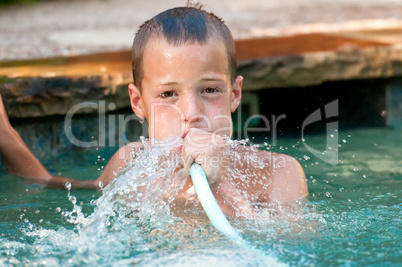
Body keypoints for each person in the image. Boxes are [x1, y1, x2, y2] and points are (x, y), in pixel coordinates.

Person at [0, 6, 308, 218]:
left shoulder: (277, 173)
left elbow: (287, 248)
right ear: (138, 103)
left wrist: (219, 185)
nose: (191, 112)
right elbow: (57, 188)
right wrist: (7, 138)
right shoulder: (130, 163)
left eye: (210, 90)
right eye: (168, 94)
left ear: (235, 94)